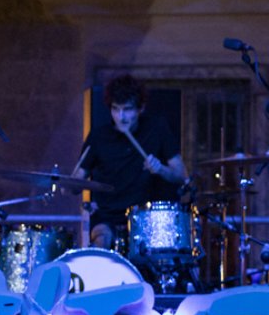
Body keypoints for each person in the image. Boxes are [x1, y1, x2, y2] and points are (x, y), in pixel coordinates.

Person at [71, 74, 187, 250]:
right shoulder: (98, 137)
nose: (121, 117)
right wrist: (67, 184)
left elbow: (181, 175)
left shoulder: (157, 129)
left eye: (127, 109)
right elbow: (76, 182)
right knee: (101, 242)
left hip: (146, 216)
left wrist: (160, 169)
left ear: (141, 109)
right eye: (115, 109)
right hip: (107, 217)